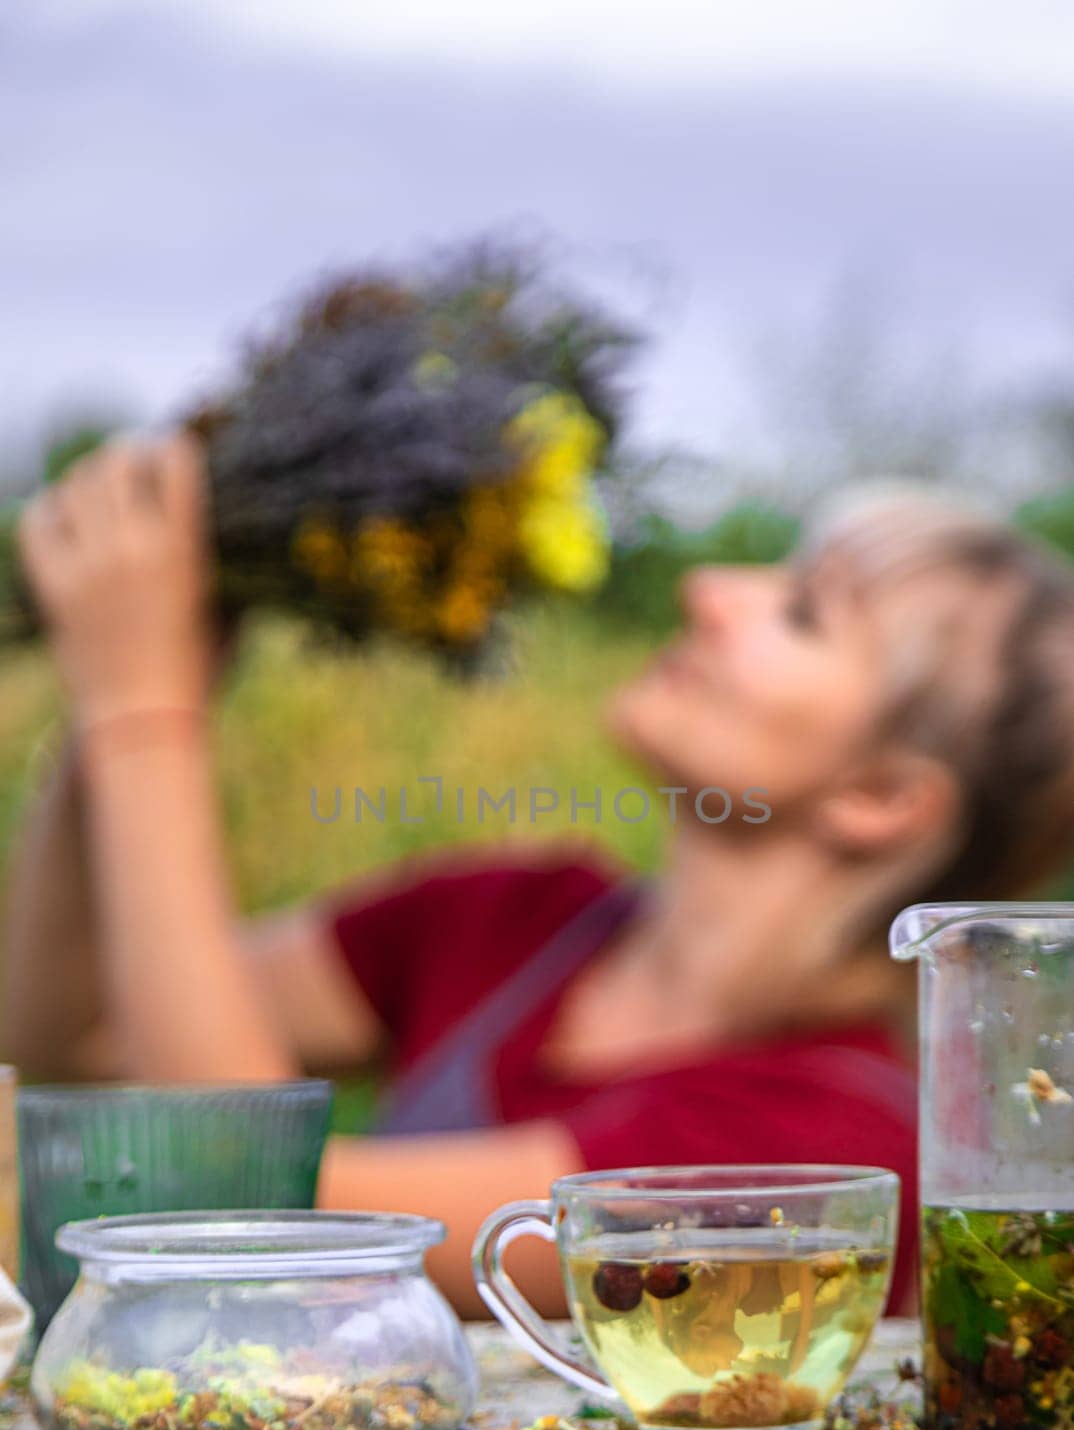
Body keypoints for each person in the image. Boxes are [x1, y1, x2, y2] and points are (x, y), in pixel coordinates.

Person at [6, 438, 1074, 1319]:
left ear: (883, 793)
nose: (707, 591)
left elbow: (262, 1224)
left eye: (802, 613)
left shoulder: (822, 1155)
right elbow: (84, 1033)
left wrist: (144, 713)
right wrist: (112, 709)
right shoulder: (519, 918)